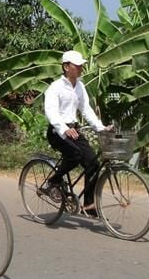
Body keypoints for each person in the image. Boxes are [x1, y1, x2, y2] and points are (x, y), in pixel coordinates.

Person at [44, 50, 112, 216]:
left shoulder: (80, 86)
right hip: (57, 131)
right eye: (77, 65)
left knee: (93, 164)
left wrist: (100, 127)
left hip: (74, 130)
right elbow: (51, 112)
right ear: (66, 67)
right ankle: (53, 181)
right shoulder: (55, 87)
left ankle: (89, 205)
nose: (81, 68)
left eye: (82, 65)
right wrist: (64, 128)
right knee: (74, 155)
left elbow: (86, 110)